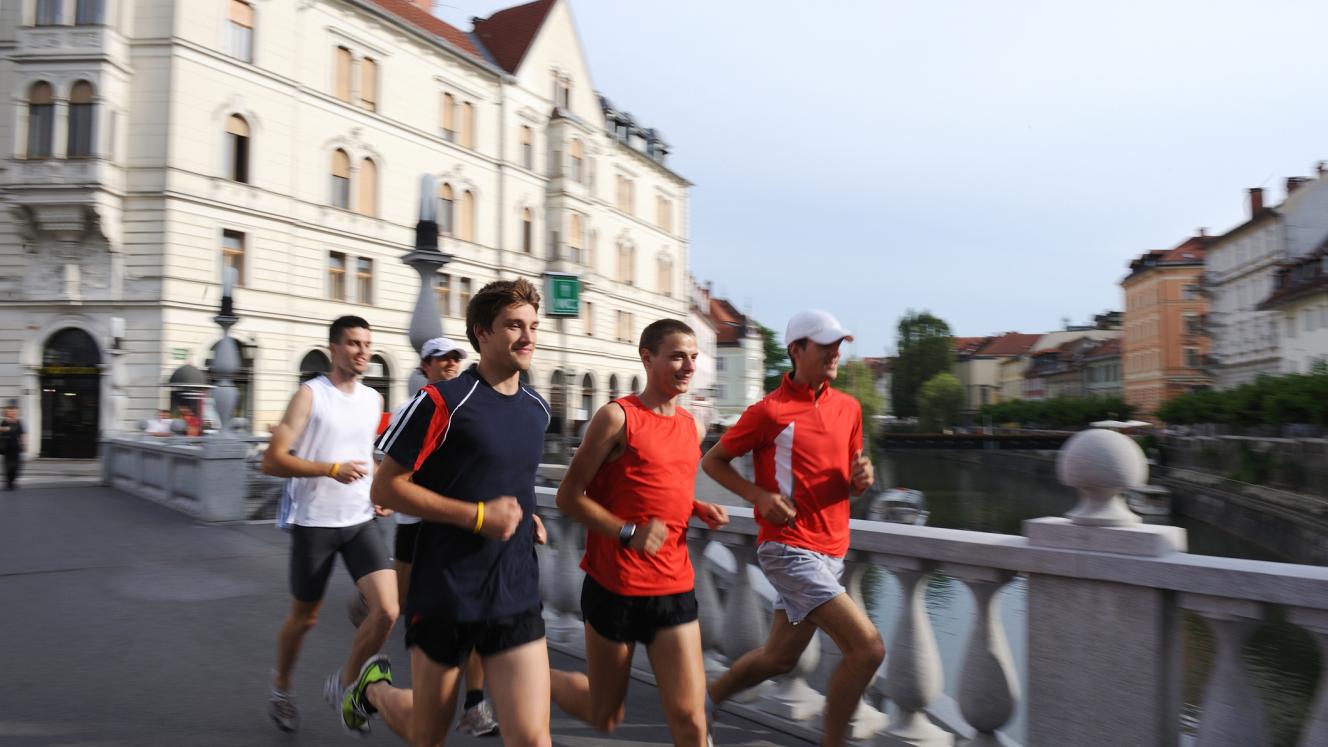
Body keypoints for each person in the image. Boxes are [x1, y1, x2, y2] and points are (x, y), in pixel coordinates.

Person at [345, 278, 554, 747]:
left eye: (533, 326)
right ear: (481, 332)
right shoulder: (442, 400)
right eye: (513, 326)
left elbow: (512, 475)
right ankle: (373, 690)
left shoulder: (537, 408)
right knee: (428, 734)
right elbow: (388, 486)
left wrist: (530, 513)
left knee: (533, 739)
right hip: (447, 590)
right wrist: (479, 516)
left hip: (514, 589)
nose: (528, 337)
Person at [701, 309, 883, 747]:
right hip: (789, 547)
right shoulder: (770, 411)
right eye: (825, 345)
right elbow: (712, 461)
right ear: (796, 350)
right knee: (867, 649)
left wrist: (862, 479)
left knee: (780, 658)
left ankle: (703, 703)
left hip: (832, 550)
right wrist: (759, 496)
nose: (835, 352)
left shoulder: (849, 408)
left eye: (839, 344)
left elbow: (848, 481)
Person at [549, 319, 730, 746]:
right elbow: (569, 497)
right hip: (615, 588)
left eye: (693, 357)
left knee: (690, 719)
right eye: (677, 356)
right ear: (647, 358)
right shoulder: (617, 418)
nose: (687, 366)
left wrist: (696, 506)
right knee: (605, 714)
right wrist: (626, 532)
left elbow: (658, 488)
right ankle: (529, 674)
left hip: (673, 587)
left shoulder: (692, 426)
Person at [260, 315, 398, 733]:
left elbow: (365, 455)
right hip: (315, 523)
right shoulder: (310, 395)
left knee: (389, 609)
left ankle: (345, 683)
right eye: (354, 343)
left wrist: (381, 490)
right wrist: (328, 468)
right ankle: (281, 687)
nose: (363, 351)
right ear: (334, 348)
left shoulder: (373, 400)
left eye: (367, 343)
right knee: (305, 619)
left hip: (359, 519)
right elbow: (272, 459)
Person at [363, 335, 500, 738]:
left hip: (460, 527)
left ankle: (474, 703)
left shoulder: (471, 405)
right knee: (406, 610)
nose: (451, 365)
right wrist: (388, 495)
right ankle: (378, 685)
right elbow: (385, 464)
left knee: (476, 618)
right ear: (425, 366)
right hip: (415, 526)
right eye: (441, 359)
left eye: (456, 358)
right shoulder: (415, 405)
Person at [1, 401, 25, 490]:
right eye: (9, 411)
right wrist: (5, 428)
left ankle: (13, 480)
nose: (11, 413)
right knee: (7, 466)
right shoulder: (4, 421)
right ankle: (9, 483)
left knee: (16, 466)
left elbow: (22, 434)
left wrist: (23, 444)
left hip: (16, 447)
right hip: (6, 447)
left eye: (13, 411)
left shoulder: (19, 422)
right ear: (7, 412)